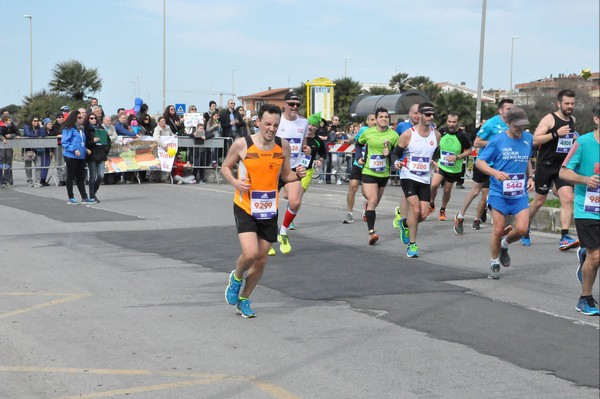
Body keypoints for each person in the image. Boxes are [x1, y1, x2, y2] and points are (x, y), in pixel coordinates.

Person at [222, 104, 306, 318]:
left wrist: (298, 174)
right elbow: (224, 167)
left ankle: (245, 299)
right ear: (258, 122)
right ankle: (237, 278)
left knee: (261, 259)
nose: (271, 128)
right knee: (250, 253)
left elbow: (286, 176)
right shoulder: (243, 145)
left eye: (276, 125)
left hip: (269, 208)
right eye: (267, 124)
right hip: (245, 206)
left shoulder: (283, 146)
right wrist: (235, 183)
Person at [475, 107, 534, 279]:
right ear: (508, 123)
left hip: (519, 192)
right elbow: (480, 162)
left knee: (522, 229)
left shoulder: (528, 138)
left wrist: (530, 177)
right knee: (498, 228)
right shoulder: (497, 140)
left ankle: (505, 244)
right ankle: (494, 263)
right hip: (499, 192)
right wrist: (495, 173)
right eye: (516, 126)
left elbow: (527, 159)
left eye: (523, 126)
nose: (520, 130)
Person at [521, 89, 579, 250]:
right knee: (539, 201)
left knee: (567, 198)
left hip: (563, 167)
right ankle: (524, 227)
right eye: (566, 103)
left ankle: (564, 237)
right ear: (559, 103)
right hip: (546, 166)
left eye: (572, 104)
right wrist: (555, 134)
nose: (569, 106)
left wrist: (574, 139)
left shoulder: (572, 119)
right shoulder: (549, 119)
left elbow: (570, 139)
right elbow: (535, 140)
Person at [559, 103, 599, 315]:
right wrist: (585, 179)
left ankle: (585, 254)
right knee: (597, 256)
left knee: (595, 255)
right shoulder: (583, 143)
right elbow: (564, 172)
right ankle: (585, 299)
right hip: (588, 208)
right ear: (596, 119)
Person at [454, 99, 514, 234]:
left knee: (489, 193)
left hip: (498, 166)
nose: (511, 111)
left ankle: (479, 219)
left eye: (512, 109)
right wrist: (495, 144)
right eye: (508, 109)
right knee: (476, 191)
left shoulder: (512, 124)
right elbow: (477, 142)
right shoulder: (491, 124)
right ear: (500, 110)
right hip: (484, 163)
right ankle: (460, 216)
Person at [392, 103, 441, 257]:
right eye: (427, 114)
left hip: (425, 178)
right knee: (415, 209)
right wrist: (396, 162)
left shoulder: (436, 135)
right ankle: (412, 246)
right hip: (408, 175)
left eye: (432, 114)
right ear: (419, 115)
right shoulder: (408, 134)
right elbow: (394, 153)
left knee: (423, 214)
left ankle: (405, 223)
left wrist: (434, 161)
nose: (431, 117)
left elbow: (435, 152)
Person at [269, 91, 310, 255]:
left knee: (295, 202)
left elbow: (303, 144)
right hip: (275, 169)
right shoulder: (277, 122)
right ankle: (267, 240)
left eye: (297, 105)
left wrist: (306, 150)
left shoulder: (304, 122)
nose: (295, 107)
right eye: (291, 104)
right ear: (284, 104)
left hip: (294, 168)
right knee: (270, 207)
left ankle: (283, 232)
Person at [356, 107, 399, 245]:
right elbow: (358, 144)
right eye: (381, 117)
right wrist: (358, 158)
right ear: (376, 119)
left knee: (374, 203)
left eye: (386, 117)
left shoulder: (393, 135)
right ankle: (371, 233)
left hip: (384, 173)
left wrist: (390, 153)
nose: (384, 119)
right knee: (373, 199)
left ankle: (367, 207)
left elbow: (397, 153)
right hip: (369, 171)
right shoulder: (368, 132)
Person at [429, 113, 472, 221]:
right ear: (446, 121)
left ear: (457, 122)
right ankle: (431, 204)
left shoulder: (462, 135)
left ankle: (443, 209)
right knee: (434, 185)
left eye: (454, 122)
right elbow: (435, 146)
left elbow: (469, 151)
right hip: (441, 165)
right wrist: (434, 159)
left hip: (454, 168)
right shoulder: (442, 131)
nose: (451, 124)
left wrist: (457, 157)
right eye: (450, 121)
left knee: (447, 190)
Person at [392, 103, 421, 234]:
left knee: (416, 196)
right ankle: (404, 220)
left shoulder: (427, 127)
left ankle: (402, 213)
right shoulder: (402, 126)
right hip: (405, 164)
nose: (417, 116)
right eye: (415, 113)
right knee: (407, 192)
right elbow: (394, 142)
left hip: (421, 166)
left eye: (420, 113)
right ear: (410, 114)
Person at [343, 113, 376, 224]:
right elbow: (354, 139)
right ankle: (349, 213)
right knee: (352, 187)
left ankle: (366, 207)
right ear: (367, 121)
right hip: (358, 163)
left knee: (366, 192)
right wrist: (348, 141)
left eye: (375, 119)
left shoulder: (380, 133)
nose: (374, 122)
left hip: (370, 165)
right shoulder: (363, 130)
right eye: (372, 120)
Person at [61, 111, 95, 204]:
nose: (81, 119)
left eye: (82, 117)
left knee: (81, 177)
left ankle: (84, 197)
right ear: (74, 118)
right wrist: (74, 149)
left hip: (80, 156)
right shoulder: (68, 128)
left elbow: (81, 142)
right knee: (71, 177)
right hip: (71, 155)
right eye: (79, 118)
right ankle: (71, 197)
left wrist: (85, 149)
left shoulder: (81, 129)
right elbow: (65, 142)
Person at [85, 113, 110, 202]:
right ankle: (92, 195)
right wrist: (92, 141)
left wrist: (105, 150)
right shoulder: (87, 129)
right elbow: (85, 143)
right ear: (88, 119)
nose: (94, 120)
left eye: (95, 118)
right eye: (91, 118)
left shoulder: (101, 128)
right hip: (92, 155)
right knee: (93, 176)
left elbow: (107, 141)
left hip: (101, 154)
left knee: (101, 176)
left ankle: (93, 192)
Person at [23, 115, 51, 187]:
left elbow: (43, 135)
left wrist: (41, 127)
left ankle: (37, 181)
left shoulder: (39, 128)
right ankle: (29, 181)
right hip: (28, 149)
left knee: (38, 165)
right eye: (34, 121)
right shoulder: (26, 126)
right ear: (31, 121)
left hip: (37, 149)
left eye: (37, 121)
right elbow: (28, 134)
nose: (36, 122)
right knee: (28, 166)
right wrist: (36, 136)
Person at [0, 114, 18, 188]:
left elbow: (17, 132)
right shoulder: (1, 126)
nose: (11, 122)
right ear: (5, 121)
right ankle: (1, 181)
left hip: (9, 148)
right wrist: (2, 138)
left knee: (8, 164)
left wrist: (11, 136)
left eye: (11, 120)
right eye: (9, 120)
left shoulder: (12, 126)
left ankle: (8, 181)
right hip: (1, 148)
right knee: (1, 164)